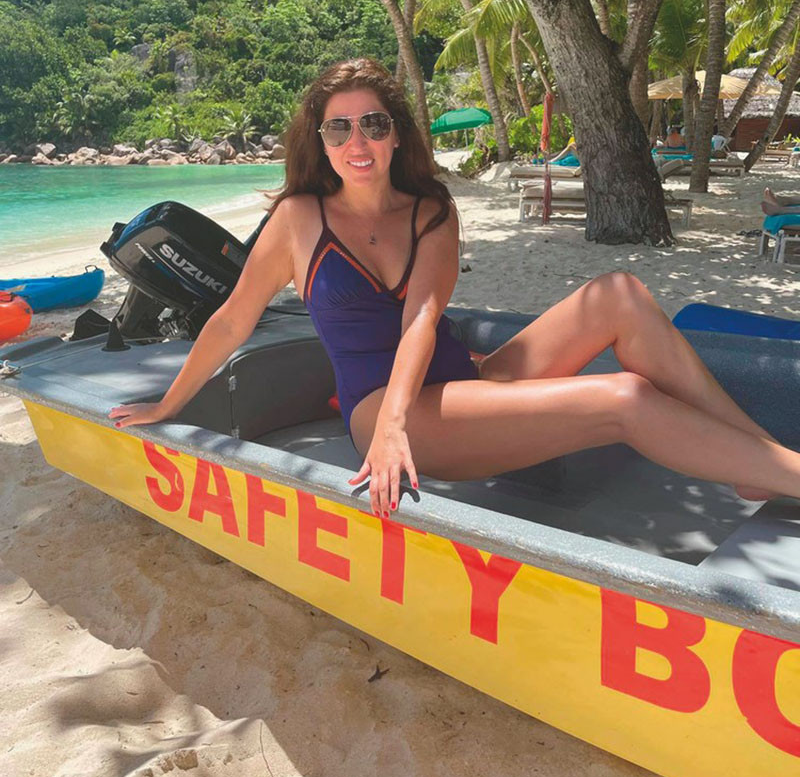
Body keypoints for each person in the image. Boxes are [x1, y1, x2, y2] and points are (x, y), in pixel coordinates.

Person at [110, 58, 800, 517]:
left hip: (465, 382)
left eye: (373, 124)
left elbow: (422, 318)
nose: (357, 141)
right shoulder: (299, 219)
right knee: (624, 397)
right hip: (385, 413)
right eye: (339, 127)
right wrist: (169, 403)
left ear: (395, 135)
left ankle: (758, 460)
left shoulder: (431, 211)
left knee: (620, 291)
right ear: (320, 140)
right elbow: (233, 320)